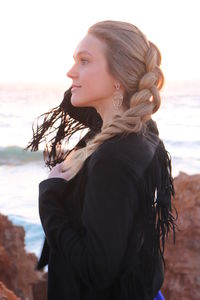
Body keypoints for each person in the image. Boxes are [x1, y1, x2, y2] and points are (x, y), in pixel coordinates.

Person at [27, 20, 177, 300]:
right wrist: (89, 83)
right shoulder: (141, 131)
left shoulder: (114, 158)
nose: (70, 72)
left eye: (84, 61)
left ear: (118, 75)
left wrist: (49, 197)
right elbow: (74, 103)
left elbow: (96, 269)